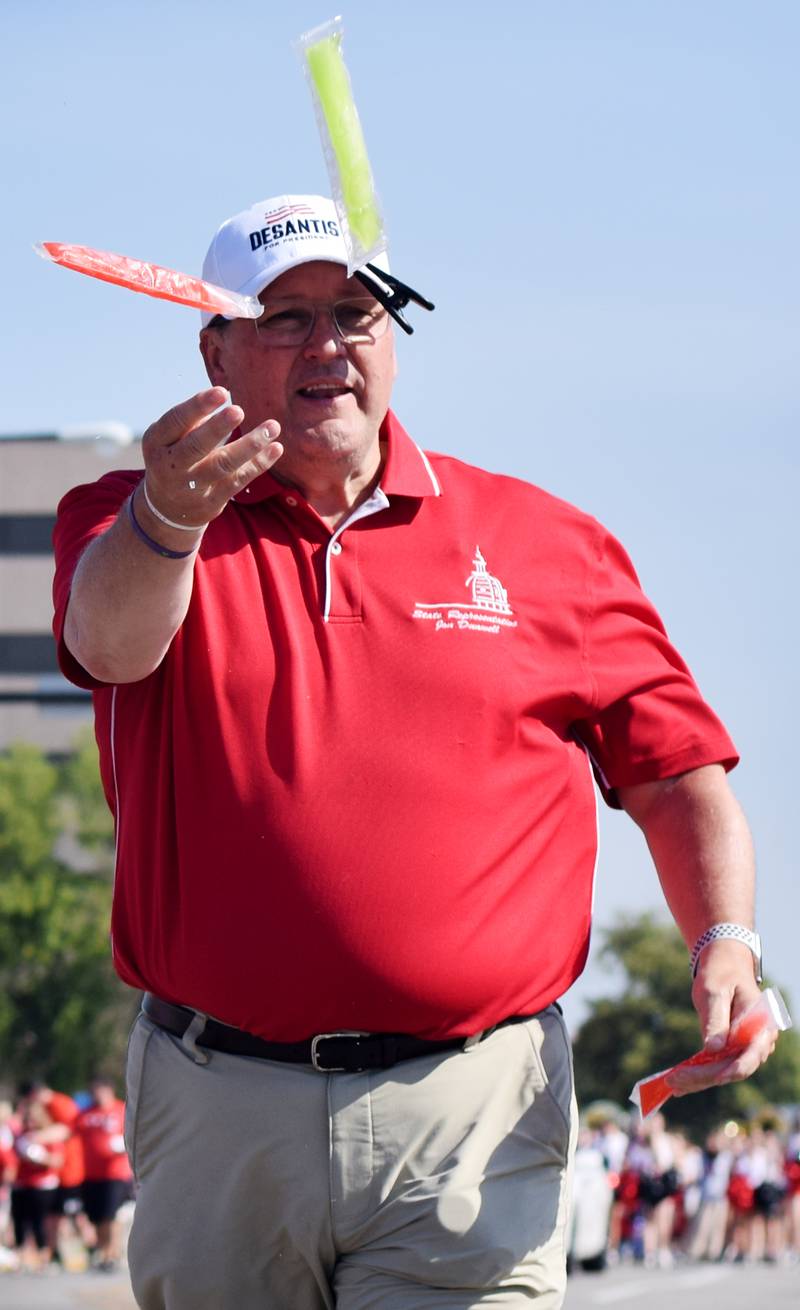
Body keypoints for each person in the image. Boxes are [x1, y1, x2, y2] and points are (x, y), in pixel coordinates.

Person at [52, 193, 776, 1310]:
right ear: (215, 348)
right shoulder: (129, 518)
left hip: (472, 1100)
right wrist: (167, 517)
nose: (326, 344)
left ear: (393, 336)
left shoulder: (549, 544)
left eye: (354, 311)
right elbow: (108, 642)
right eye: (283, 318)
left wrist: (722, 938)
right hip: (218, 1099)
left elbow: (675, 773)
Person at [75, 1076, 133, 1272]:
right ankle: (101, 1251)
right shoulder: (86, 1114)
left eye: (100, 1090)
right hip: (91, 1174)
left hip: (115, 1174)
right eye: (93, 1090)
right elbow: (69, 1132)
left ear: (109, 1090)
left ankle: (111, 1253)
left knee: (111, 1215)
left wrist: (121, 1144)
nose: (96, 1094)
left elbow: (134, 1135)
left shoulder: (121, 1109)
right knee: (96, 1217)